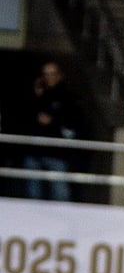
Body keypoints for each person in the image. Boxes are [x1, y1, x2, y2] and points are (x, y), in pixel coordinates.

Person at [20, 60, 84, 202]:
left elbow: (73, 124)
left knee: (60, 194)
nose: (49, 77)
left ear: (60, 75)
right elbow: (26, 117)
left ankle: (61, 223)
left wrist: (53, 121)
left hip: (56, 153)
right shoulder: (36, 95)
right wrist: (37, 95)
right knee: (32, 194)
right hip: (34, 152)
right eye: (46, 74)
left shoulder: (68, 97)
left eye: (52, 74)